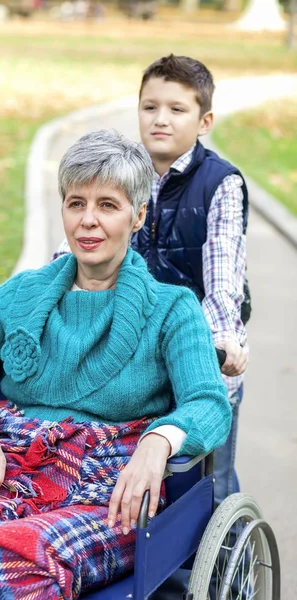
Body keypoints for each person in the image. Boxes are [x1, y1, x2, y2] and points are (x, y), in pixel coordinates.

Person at [0, 130, 230, 600]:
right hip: (8, 471)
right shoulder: (20, 296)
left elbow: (208, 402)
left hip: (108, 488)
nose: (88, 221)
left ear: (137, 216)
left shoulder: (172, 308)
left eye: (108, 205)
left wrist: (158, 443)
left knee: (28, 555)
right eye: (76, 203)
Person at [54, 55, 249, 514]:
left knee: (207, 479)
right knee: (121, 454)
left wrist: (221, 341)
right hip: (129, 347)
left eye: (177, 110)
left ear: (204, 121)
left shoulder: (220, 184)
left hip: (197, 343)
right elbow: (80, 243)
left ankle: (220, 559)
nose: (160, 119)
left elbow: (224, 277)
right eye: (150, 107)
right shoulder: (121, 171)